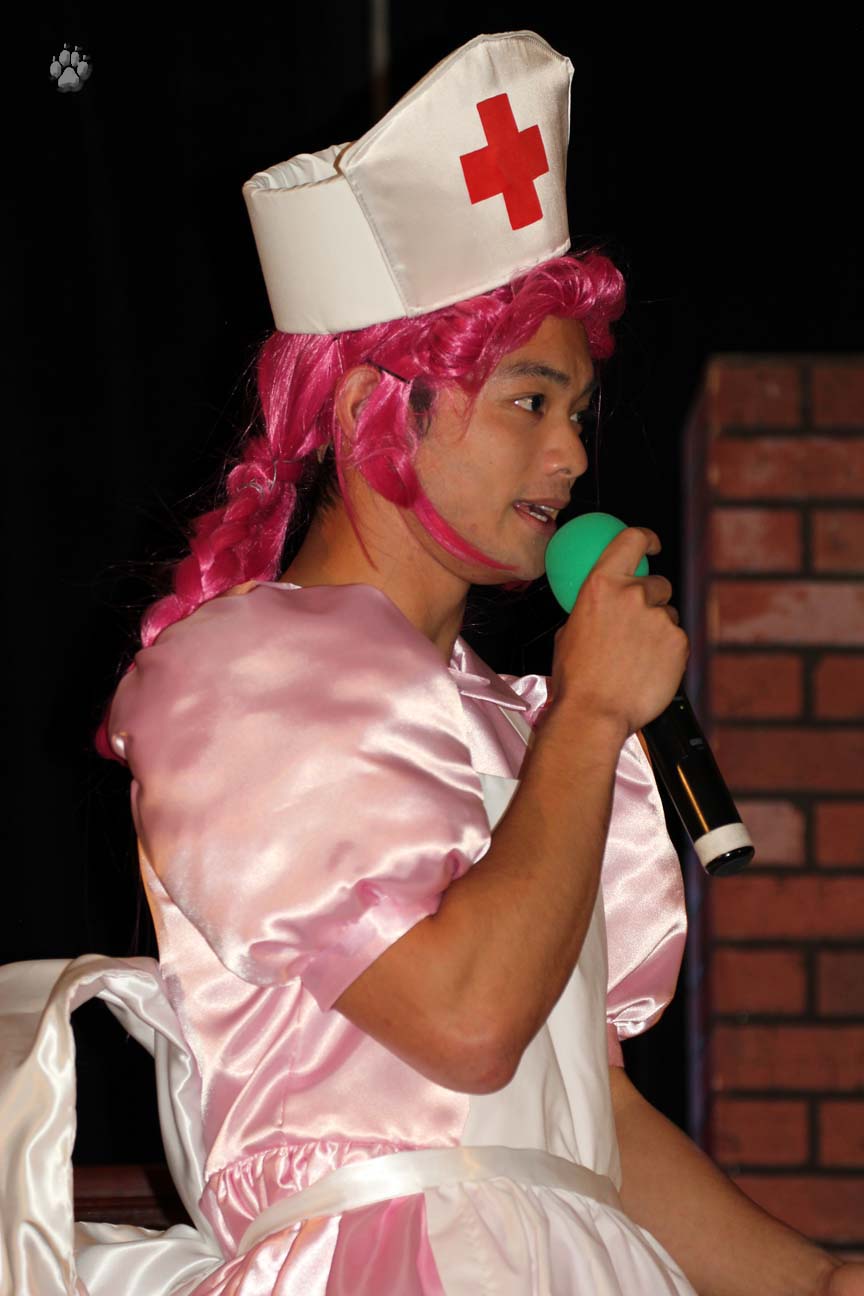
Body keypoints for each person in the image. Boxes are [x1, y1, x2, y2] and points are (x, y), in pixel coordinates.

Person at [1, 28, 861, 1296]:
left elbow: (581, 1125)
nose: (571, 457)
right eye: (528, 402)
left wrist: (819, 1282)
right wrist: (591, 719)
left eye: (579, 413)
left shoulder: (523, 724)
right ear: (369, 414)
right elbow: (465, 1020)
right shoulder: (240, 675)